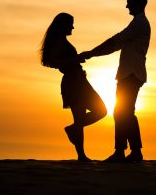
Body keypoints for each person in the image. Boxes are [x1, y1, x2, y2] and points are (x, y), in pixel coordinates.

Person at [80, 0, 151, 162]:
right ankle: (129, 151)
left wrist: (91, 53)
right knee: (123, 112)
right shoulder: (137, 23)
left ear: (137, 3)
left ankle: (126, 152)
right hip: (130, 73)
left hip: (131, 74)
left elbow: (115, 40)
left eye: (129, 2)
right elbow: (115, 45)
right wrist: (93, 54)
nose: (126, 6)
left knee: (123, 112)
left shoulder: (139, 23)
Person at [40, 12, 107, 161]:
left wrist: (76, 60)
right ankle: (80, 153)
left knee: (98, 112)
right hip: (73, 82)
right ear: (63, 25)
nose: (73, 27)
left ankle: (78, 145)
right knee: (93, 113)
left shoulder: (62, 41)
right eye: (71, 24)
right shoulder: (58, 42)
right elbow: (55, 62)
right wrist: (76, 58)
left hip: (79, 80)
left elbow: (63, 61)